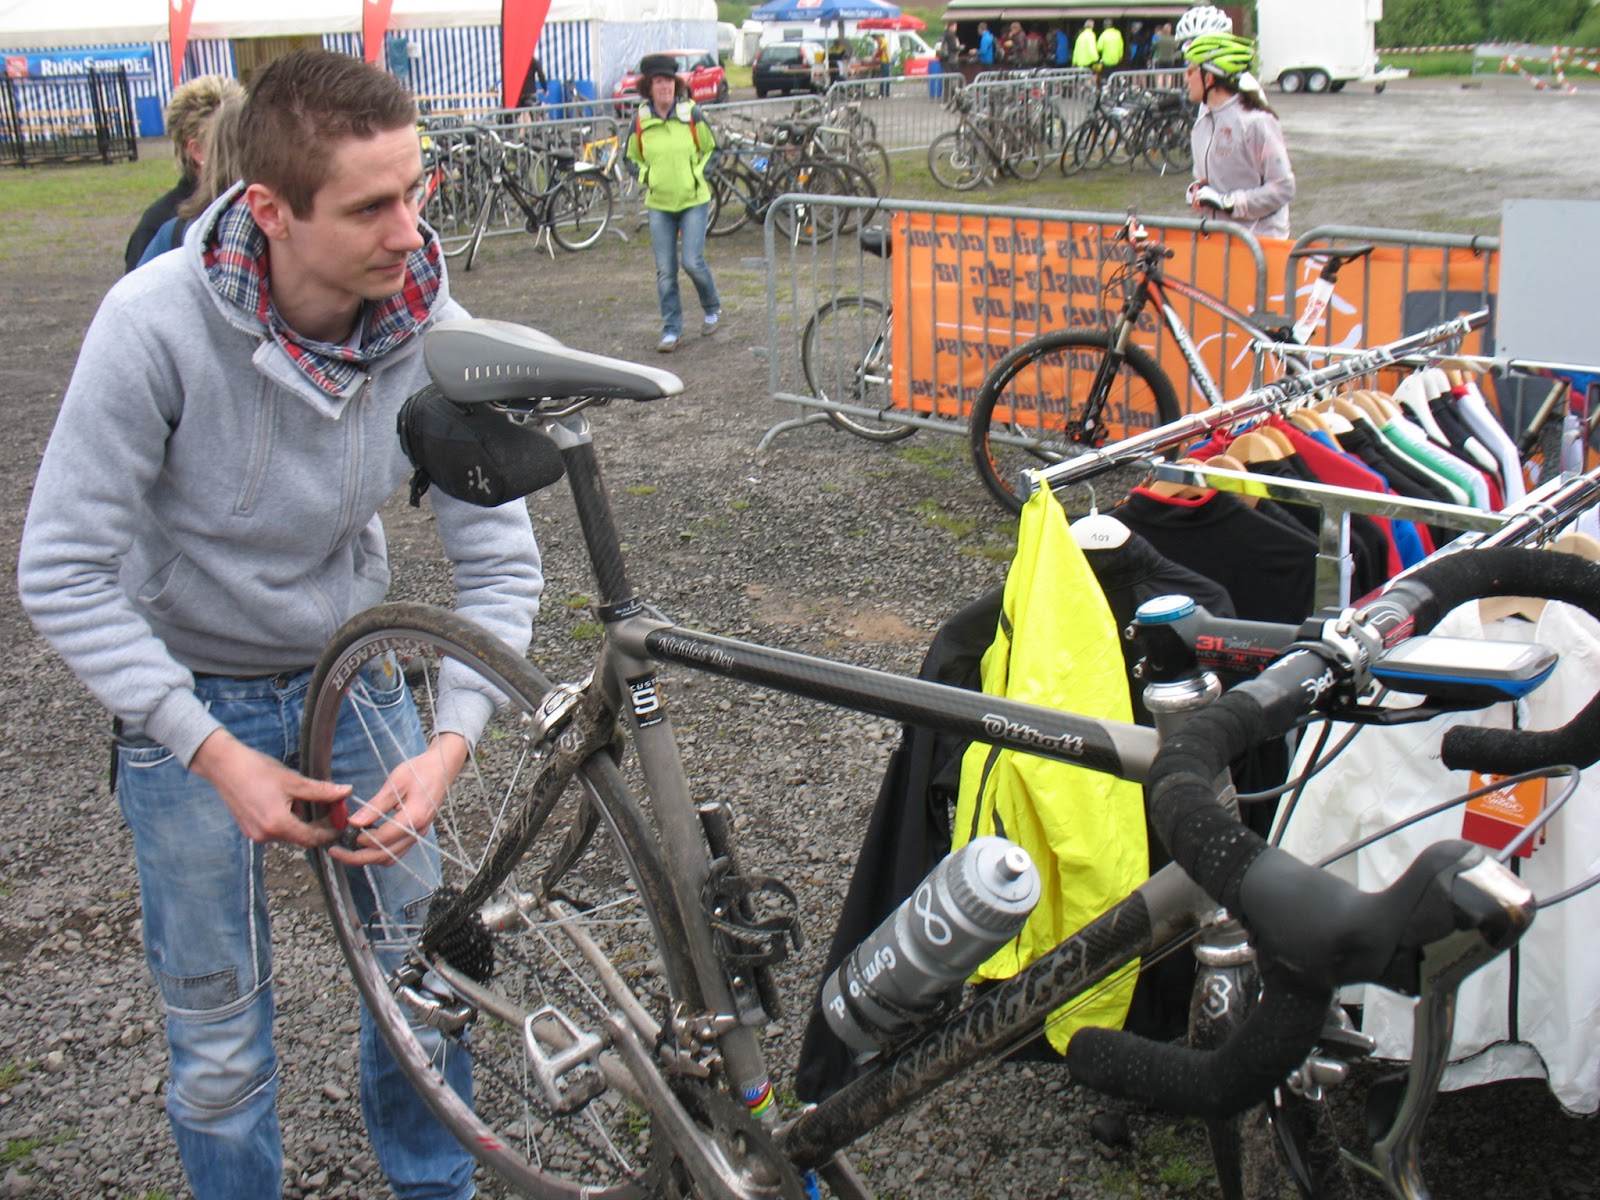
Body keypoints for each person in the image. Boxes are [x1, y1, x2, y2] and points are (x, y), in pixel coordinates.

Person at [18, 48, 543, 1200]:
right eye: (369, 206)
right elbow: (60, 571)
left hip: (355, 686)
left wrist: (449, 747)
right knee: (218, 1038)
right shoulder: (150, 325)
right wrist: (209, 750)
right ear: (269, 210)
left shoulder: (429, 325)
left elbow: (501, 563)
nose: (409, 231)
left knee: (427, 983)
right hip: (188, 695)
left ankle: (434, 1187)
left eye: (416, 189)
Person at [626, 53, 720, 354]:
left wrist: (698, 174)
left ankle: (712, 307)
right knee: (665, 271)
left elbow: (713, 149)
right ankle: (671, 330)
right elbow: (630, 158)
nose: (664, 87)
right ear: (649, 87)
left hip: (693, 200)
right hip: (659, 203)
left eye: (668, 81)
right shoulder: (641, 120)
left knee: (692, 262)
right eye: (658, 82)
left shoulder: (691, 113)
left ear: (675, 84)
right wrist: (648, 176)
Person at [123, 74, 243, 273]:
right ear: (197, 150)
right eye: (230, 139)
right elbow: (138, 290)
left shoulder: (264, 207)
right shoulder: (161, 227)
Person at [1183, 32, 1296, 238]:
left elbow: (1283, 188)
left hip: (1259, 241)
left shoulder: (1256, 122)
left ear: (1209, 78)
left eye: (1191, 71)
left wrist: (1228, 203)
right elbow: (1207, 179)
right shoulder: (1202, 123)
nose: (1186, 78)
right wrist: (1198, 191)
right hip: (1220, 240)